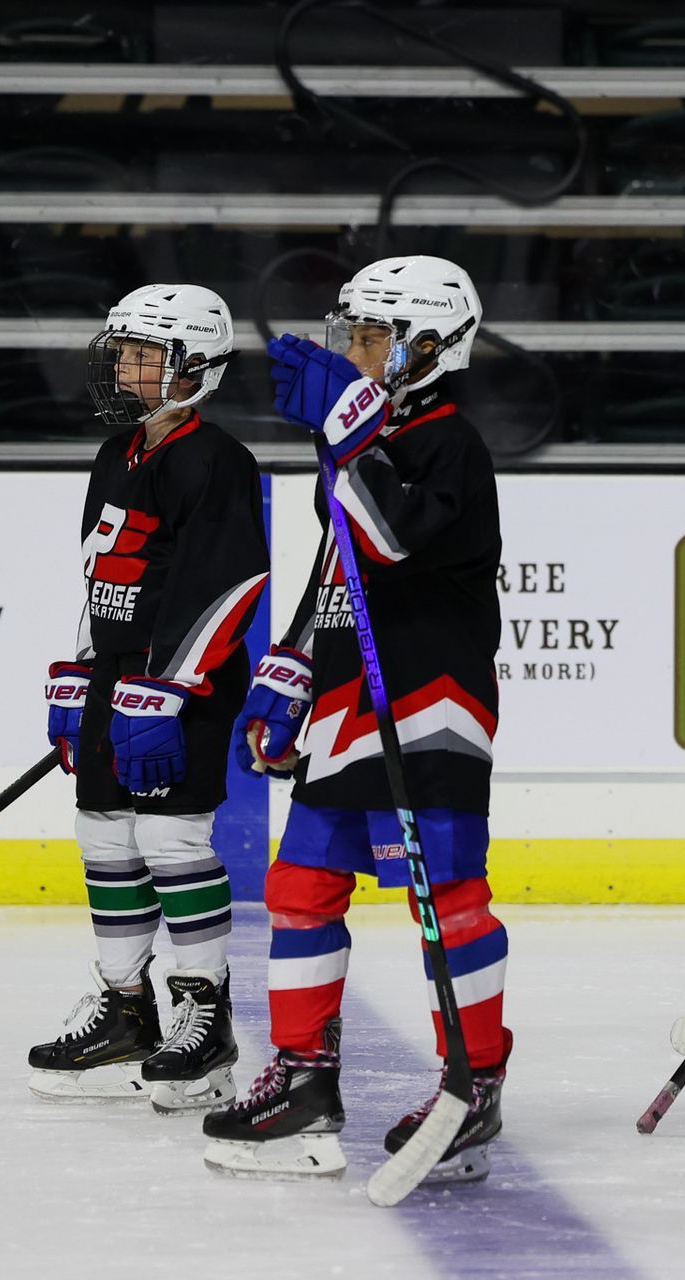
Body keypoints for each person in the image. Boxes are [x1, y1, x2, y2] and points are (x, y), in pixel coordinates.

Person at [201, 255, 509, 1184]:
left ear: (430, 343)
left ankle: (475, 1082)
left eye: (374, 335)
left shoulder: (452, 445)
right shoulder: (361, 437)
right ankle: (303, 1076)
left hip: (429, 709)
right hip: (345, 709)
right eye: (355, 334)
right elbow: (338, 571)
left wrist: (345, 434)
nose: (355, 353)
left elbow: (390, 537)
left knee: (446, 900)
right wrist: (289, 673)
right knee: (298, 891)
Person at [26, 284, 271, 1111]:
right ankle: (126, 1009)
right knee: (103, 833)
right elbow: (106, 578)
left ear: (195, 366)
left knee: (171, 840)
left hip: (182, 686)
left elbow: (230, 587)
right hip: (114, 681)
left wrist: (164, 689)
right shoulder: (115, 455)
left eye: (145, 354)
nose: (124, 366)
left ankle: (205, 1017)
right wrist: (82, 670)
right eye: (122, 351)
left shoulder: (216, 459)